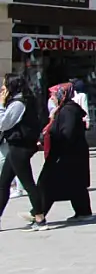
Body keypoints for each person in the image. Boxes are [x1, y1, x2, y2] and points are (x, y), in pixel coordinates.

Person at [38, 83, 93, 223]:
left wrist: (51, 136)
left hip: (67, 153)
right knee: (76, 184)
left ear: (61, 95)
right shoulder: (65, 109)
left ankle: (38, 213)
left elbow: (67, 133)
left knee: (47, 183)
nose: (51, 97)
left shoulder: (68, 111)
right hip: (70, 153)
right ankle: (83, 211)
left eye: (53, 94)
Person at [0, 74, 46, 230]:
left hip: (20, 147)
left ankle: (40, 217)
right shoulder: (21, 100)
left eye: (5, 86)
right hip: (17, 146)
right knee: (3, 183)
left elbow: (3, 124)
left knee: (28, 183)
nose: (2, 89)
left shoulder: (19, 103)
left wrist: (0, 105)